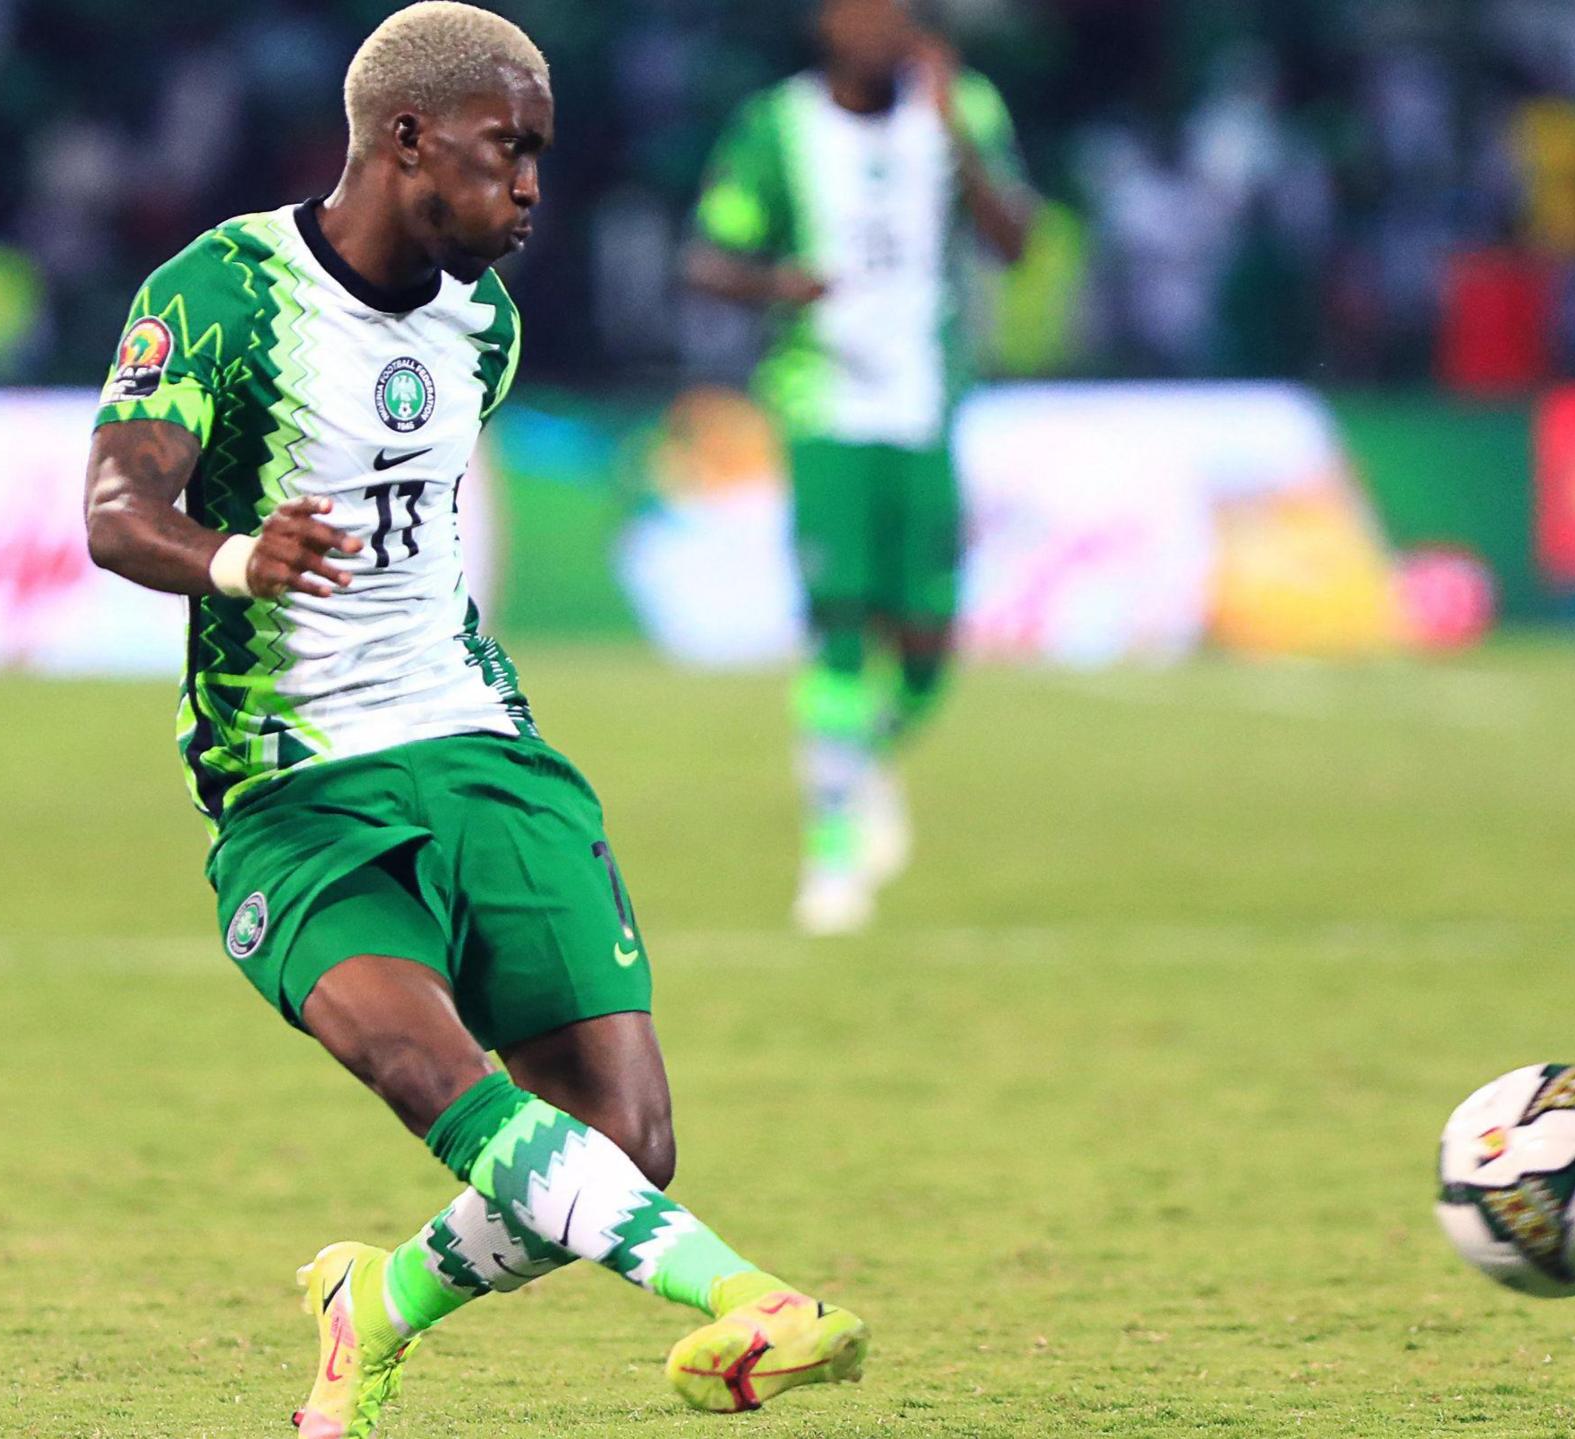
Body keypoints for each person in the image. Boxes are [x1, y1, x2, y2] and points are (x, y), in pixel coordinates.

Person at [80, 7, 868, 1434]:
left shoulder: (483, 325)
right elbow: (118, 507)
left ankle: (370, 1307)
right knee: (435, 1073)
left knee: (628, 1139)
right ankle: (746, 1298)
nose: (530, 191)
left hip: (481, 746)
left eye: (539, 159)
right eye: (508, 152)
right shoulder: (222, 291)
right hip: (298, 788)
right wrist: (239, 555)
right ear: (405, 138)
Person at [685, 0, 1035, 935]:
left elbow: (1017, 241)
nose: (881, 25)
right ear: (825, 25)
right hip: (823, 407)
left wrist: (955, 128)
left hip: (926, 408)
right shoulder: (777, 125)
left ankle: (863, 760)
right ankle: (831, 854)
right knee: (840, 629)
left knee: (927, 645)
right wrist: (775, 285)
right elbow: (707, 259)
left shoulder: (967, 108)